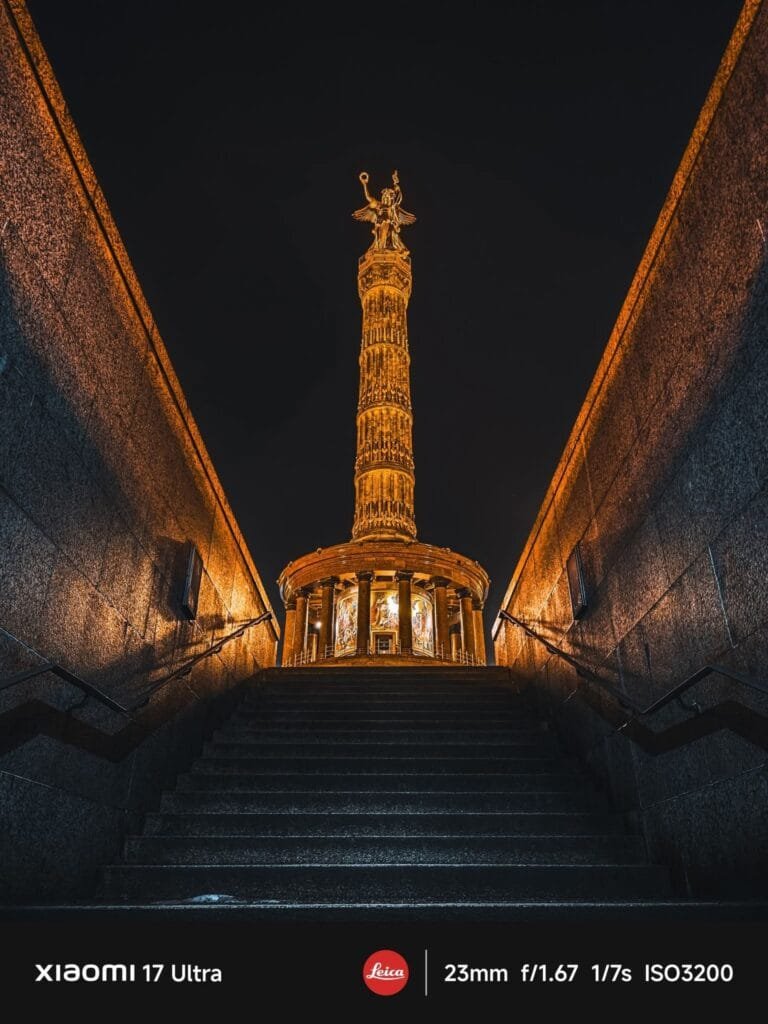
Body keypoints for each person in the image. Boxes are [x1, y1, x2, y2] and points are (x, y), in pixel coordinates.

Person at [353, 170, 416, 254]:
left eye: (388, 196)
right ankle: (381, 249)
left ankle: (391, 249)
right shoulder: (379, 205)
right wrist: (365, 184)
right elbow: (368, 198)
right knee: (381, 238)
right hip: (380, 223)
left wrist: (396, 185)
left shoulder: (392, 207)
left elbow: (399, 198)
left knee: (392, 236)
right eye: (385, 196)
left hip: (390, 224)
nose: (386, 198)